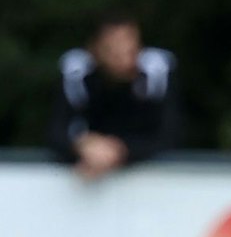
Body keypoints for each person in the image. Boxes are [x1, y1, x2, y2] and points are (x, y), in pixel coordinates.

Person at [48, 11, 178, 178]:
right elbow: (56, 130)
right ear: (95, 49)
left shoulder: (155, 75)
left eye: (129, 48)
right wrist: (82, 146)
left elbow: (170, 134)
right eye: (113, 49)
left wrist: (119, 151)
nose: (123, 57)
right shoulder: (77, 74)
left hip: (146, 180)